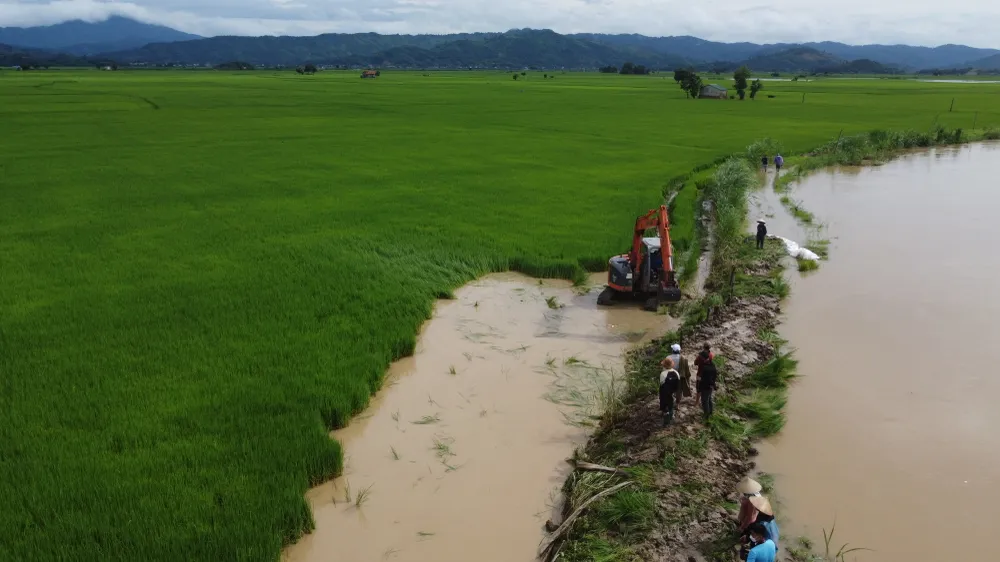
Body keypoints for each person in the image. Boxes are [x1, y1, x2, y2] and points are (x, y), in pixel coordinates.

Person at [695, 349, 717, 418]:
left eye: (701, 356)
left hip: (706, 386)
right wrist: (713, 384)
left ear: (703, 358)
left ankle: (706, 415)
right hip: (711, 385)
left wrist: (700, 387)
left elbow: (703, 379)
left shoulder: (705, 368)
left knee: (704, 400)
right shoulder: (712, 364)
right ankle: (710, 412)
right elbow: (714, 375)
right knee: (709, 398)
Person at [659, 357, 681, 426]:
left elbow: (661, 383)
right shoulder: (676, 373)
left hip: (664, 393)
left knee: (665, 406)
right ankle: (671, 416)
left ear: (664, 365)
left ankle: (666, 422)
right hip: (673, 392)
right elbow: (678, 383)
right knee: (671, 404)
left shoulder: (663, 374)